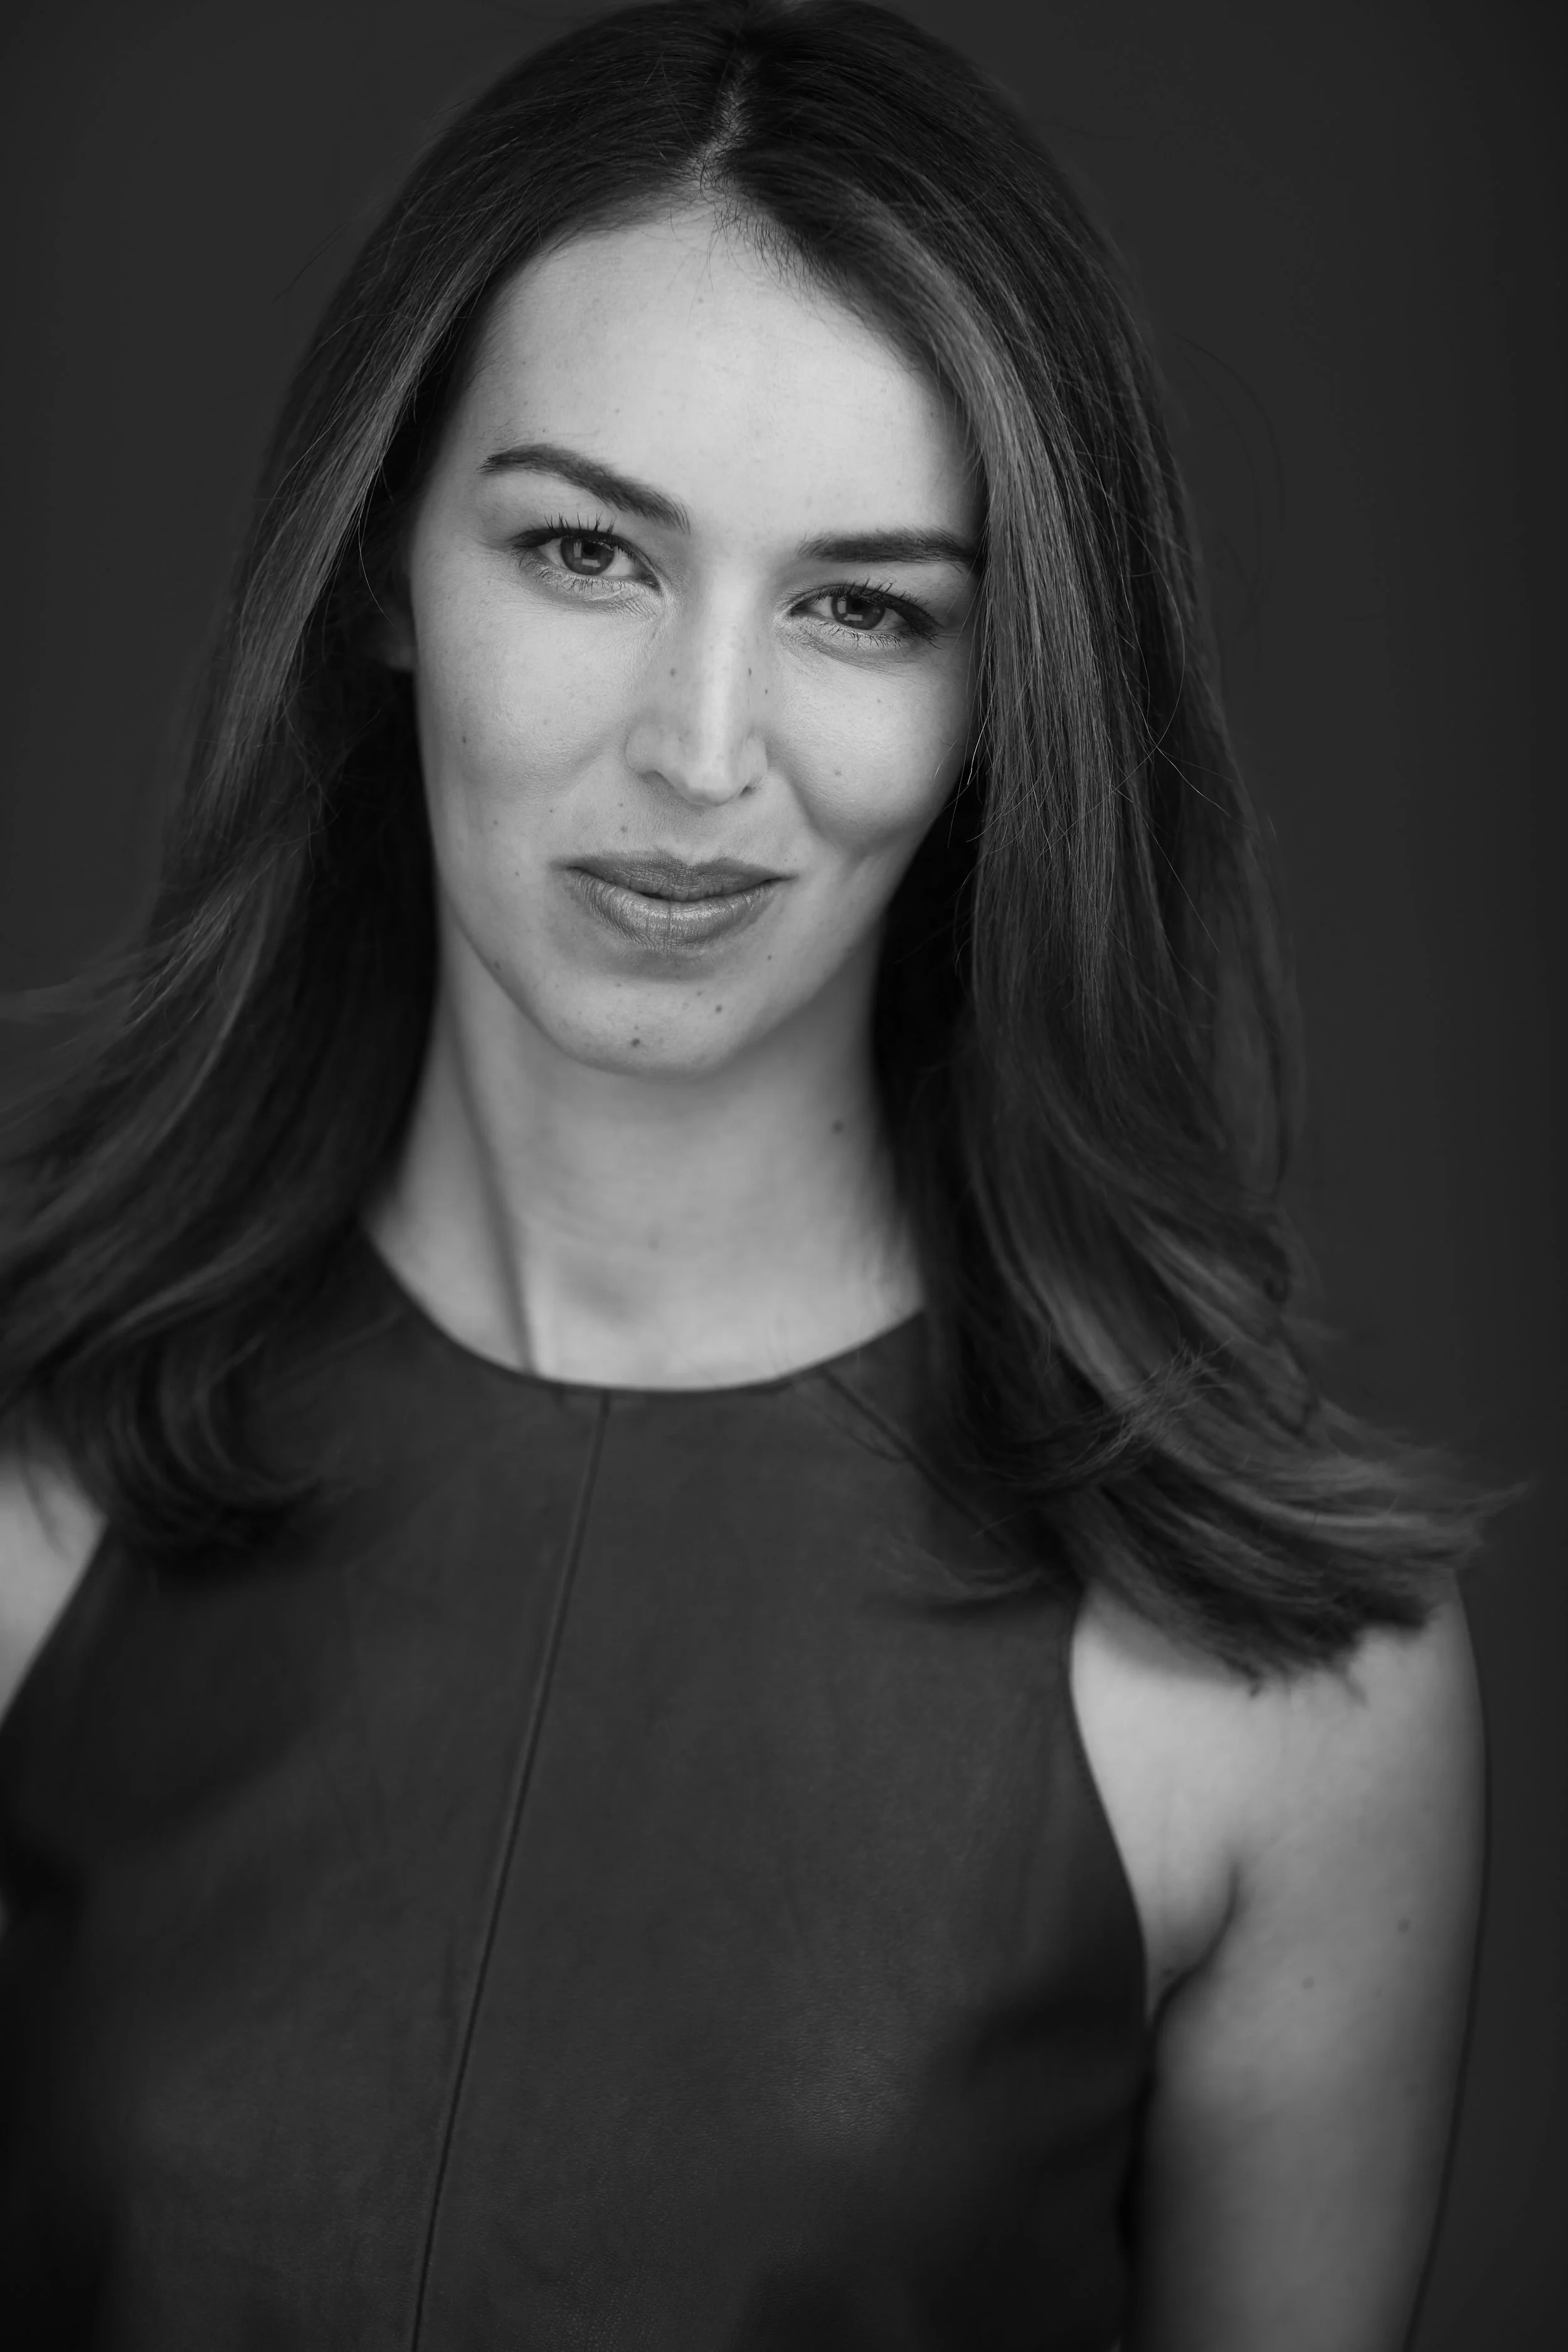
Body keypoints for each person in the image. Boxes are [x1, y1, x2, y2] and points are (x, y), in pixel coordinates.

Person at [0, 2, 1486, 2344]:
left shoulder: (1274, 1691)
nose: (700, 752)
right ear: (387, 569)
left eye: (862, 606)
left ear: (1005, 704)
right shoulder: (30, 1495)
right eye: (587, 549)